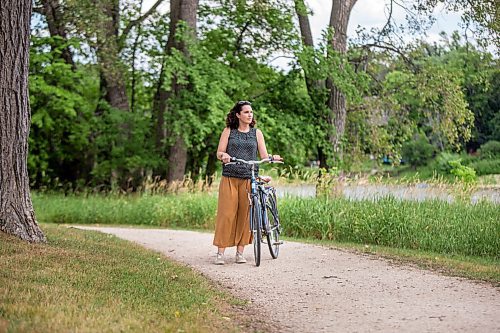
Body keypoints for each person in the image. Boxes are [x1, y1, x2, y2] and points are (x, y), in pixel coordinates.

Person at [213, 100, 282, 265]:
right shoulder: (229, 131)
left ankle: (240, 253)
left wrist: (272, 158)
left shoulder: (257, 133)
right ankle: (220, 253)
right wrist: (224, 156)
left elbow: (263, 155)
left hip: (249, 178)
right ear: (238, 115)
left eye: (251, 112)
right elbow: (219, 152)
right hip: (230, 177)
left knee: (245, 216)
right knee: (227, 214)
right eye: (246, 112)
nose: (250, 114)